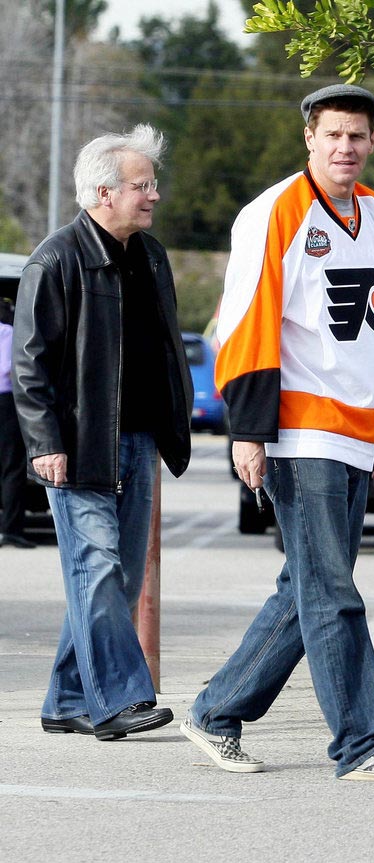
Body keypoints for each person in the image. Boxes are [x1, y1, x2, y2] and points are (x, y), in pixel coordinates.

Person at [180, 84, 374, 783]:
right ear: (309, 138)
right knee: (331, 590)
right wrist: (249, 430)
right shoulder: (274, 212)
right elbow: (245, 324)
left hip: (357, 428)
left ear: (372, 142)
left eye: (357, 136)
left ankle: (215, 710)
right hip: (301, 430)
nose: (345, 147)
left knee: (306, 588)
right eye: (332, 135)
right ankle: (361, 742)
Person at [11, 124, 194, 741]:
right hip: (79, 446)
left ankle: (66, 698)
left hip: (138, 441)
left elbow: (167, 349)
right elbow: (30, 362)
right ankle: (119, 700)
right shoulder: (56, 258)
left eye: (152, 183)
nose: (154, 196)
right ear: (101, 192)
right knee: (97, 566)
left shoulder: (152, 255)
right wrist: (45, 443)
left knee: (115, 576)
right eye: (142, 185)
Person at [0, 296, 35, 549]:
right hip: (6, 403)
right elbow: (14, 370)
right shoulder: (9, 333)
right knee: (12, 468)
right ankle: (11, 530)